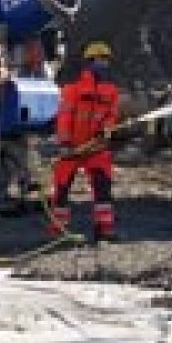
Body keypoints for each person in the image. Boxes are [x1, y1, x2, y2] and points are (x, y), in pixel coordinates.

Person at [50, 39, 123, 241]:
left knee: (103, 189)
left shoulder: (111, 91)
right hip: (71, 148)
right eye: (100, 60)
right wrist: (65, 143)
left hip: (96, 148)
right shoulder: (72, 90)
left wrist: (106, 130)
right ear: (89, 62)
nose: (104, 64)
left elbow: (111, 115)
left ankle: (104, 229)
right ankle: (58, 230)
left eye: (106, 60)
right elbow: (64, 118)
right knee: (62, 189)